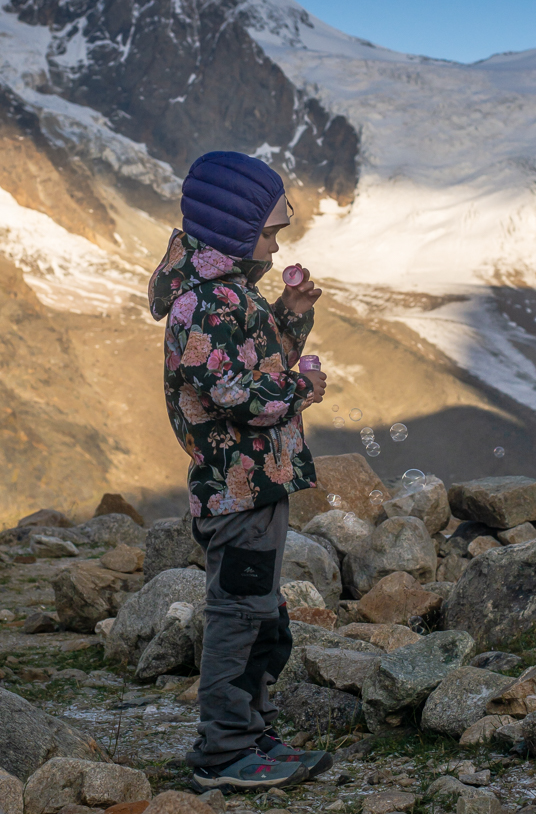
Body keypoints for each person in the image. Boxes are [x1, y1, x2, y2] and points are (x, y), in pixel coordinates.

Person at [148, 151, 329, 793]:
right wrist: (300, 386)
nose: (277, 248)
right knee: (239, 618)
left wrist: (292, 312)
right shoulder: (203, 305)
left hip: (258, 485)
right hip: (236, 492)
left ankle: (252, 731)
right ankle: (224, 752)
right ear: (232, 229)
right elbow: (237, 393)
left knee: (261, 615)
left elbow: (253, 358)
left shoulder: (230, 294)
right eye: (272, 233)